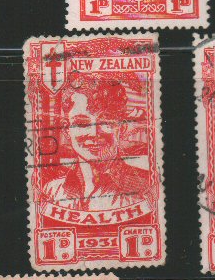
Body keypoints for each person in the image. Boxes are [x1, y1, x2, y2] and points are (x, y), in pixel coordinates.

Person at [40, 74, 155, 214]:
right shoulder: (51, 190)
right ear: (66, 130)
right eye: (81, 123)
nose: (94, 133)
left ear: (122, 128)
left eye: (106, 122)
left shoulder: (148, 188)